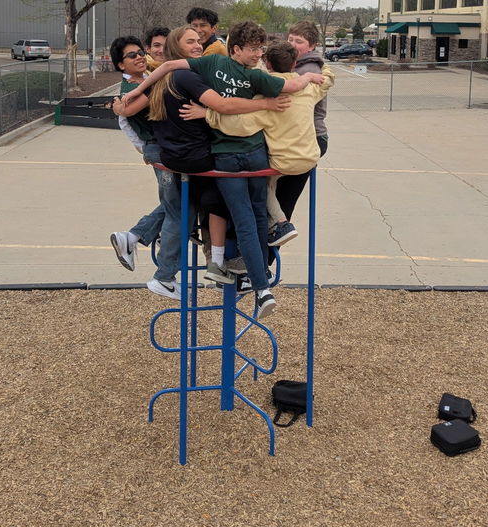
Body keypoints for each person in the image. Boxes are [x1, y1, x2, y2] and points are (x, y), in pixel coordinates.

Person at [122, 21, 325, 318]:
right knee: (239, 216)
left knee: (242, 216)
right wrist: (306, 78)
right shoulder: (237, 72)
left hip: (232, 155)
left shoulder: (214, 65)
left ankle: (238, 268)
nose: (257, 54)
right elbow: (280, 92)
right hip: (233, 155)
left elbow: (166, 71)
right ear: (236, 49)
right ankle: (258, 282)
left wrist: (135, 91)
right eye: (252, 49)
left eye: (261, 49)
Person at [181, 41, 333, 251]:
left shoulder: (266, 96)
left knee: (262, 184)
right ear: (295, 63)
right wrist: (322, 67)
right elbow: (326, 82)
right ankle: (275, 231)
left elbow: (240, 125)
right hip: (309, 157)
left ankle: (280, 223)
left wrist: (206, 113)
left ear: (267, 64)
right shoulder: (308, 89)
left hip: (283, 162)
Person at [108, 35, 165, 265]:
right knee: (180, 202)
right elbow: (126, 116)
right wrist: (144, 148)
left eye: (141, 52)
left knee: (179, 201)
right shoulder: (133, 88)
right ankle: (134, 237)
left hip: (158, 147)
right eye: (132, 55)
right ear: (121, 64)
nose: (140, 57)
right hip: (159, 147)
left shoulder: (144, 80)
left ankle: (150, 236)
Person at [274, 21, 331, 225]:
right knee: (274, 197)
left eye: (299, 41)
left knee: (283, 200)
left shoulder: (307, 69)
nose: (292, 44)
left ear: (312, 46)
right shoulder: (296, 65)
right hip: (298, 137)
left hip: (309, 138)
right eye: (290, 39)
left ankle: (268, 251)